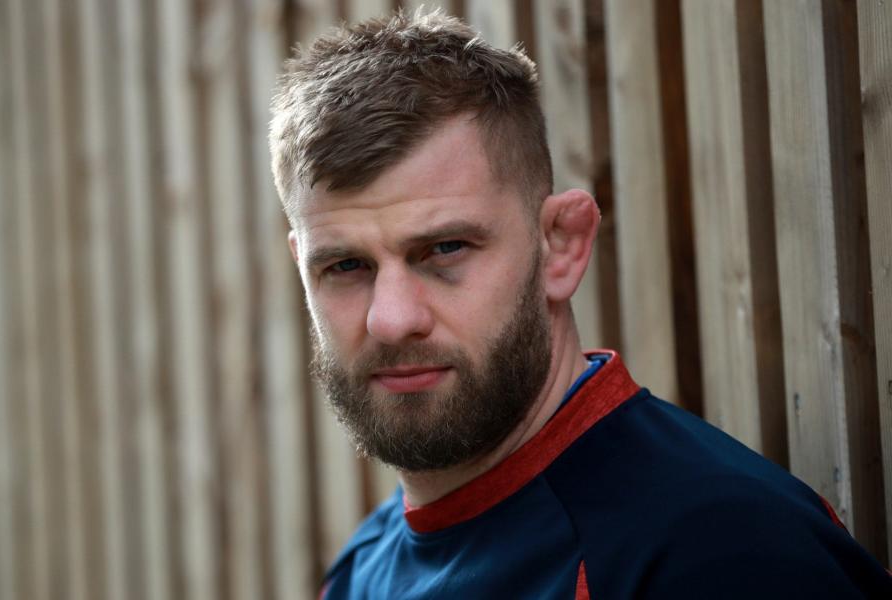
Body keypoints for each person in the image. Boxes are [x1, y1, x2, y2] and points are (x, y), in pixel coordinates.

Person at [269, 9, 892, 599]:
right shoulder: (362, 569)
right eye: (345, 265)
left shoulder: (721, 548)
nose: (392, 317)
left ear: (560, 247)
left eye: (445, 248)